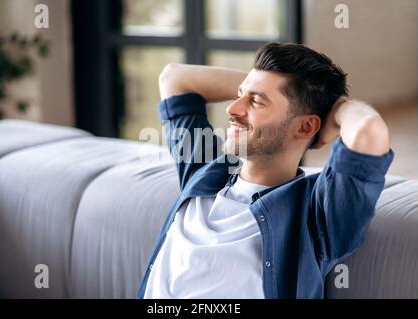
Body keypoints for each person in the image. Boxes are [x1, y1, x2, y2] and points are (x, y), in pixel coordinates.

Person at [137, 43, 394, 299]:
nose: (232, 109)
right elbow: (174, 77)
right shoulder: (204, 172)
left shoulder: (316, 216)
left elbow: (368, 130)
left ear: (305, 127)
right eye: (239, 94)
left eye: (256, 102)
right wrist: (271, 89)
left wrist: (333, 107)